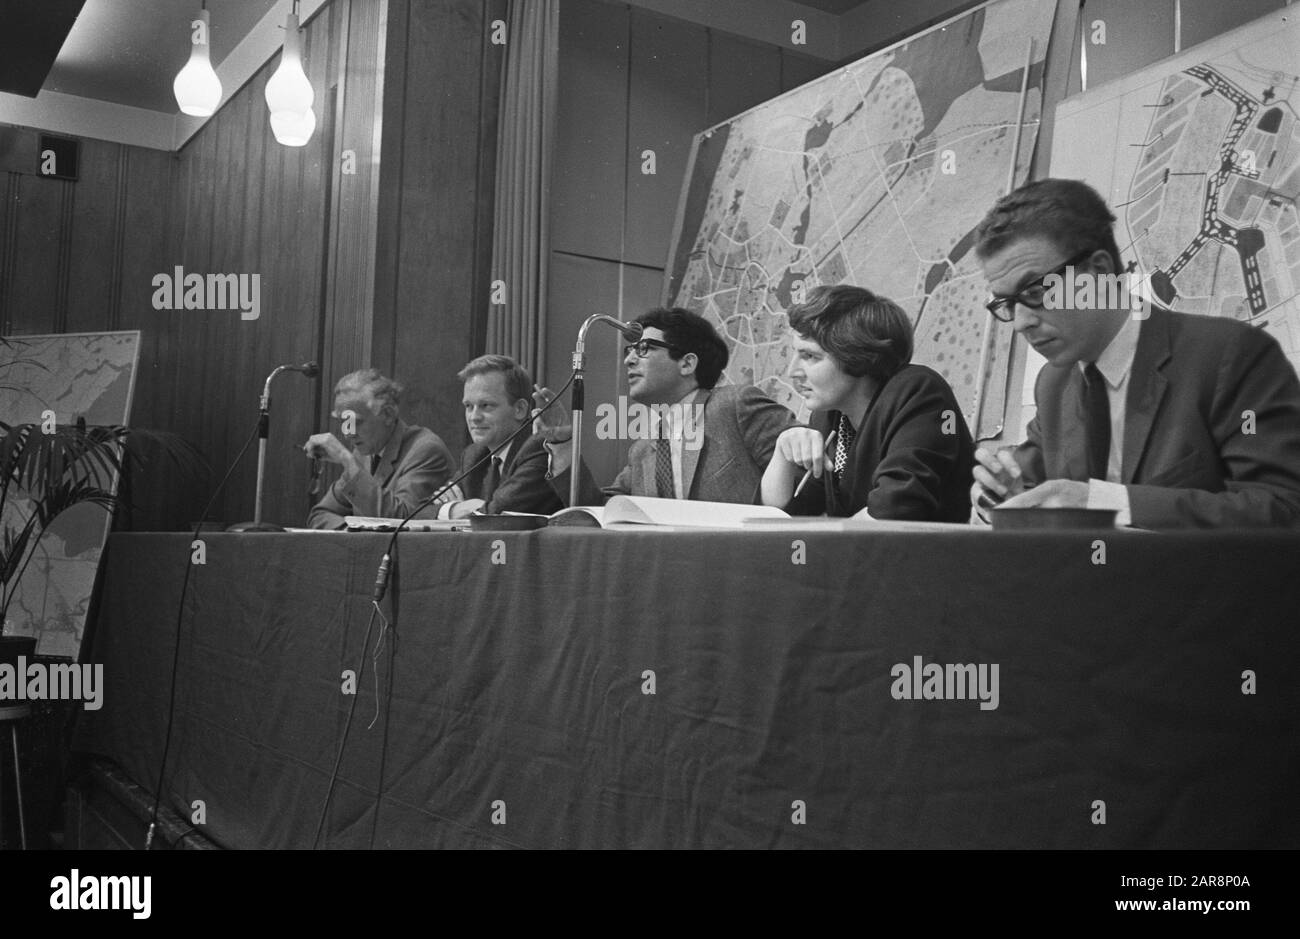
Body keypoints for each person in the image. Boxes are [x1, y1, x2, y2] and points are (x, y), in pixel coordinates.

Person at [970, 177, 1300, 529]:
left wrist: (1105, 505)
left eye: (1036, 291)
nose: (1020, 322)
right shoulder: (1053, 384)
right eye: (1007, 304)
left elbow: (1283, 510)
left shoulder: (1230, 357)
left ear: (1098, 272)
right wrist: (1003, 500)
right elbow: (1031, 491)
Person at [532, 307, 799, 504]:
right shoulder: (642, 450)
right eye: (629, 350)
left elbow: (808, 473)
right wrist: (563, 443)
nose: (629, 360)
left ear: (687, 363)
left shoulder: (735, 405)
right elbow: (599, 510)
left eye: (644, 348)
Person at [760, 285, 975, 520]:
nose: (792, 372)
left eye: (809, 356)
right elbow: (784, 516)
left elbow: (894, 510)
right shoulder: (830, 416)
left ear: (856, 355)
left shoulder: (919, 392)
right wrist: (782, 452)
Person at [305, 368, 454, 529]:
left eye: (355, 422)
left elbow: (405, 521)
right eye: (343, 422)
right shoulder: (363, 453)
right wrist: (351, 532)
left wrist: (347, 461)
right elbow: (320, 514)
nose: (348, 433)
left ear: (388, 414)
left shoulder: (426, 450)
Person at [421, 354, 564, 519]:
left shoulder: (540, 449)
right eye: (468, 406)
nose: (474, 417)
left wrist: (468, 509)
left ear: (519, 409)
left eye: (485, 405)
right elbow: (420, 511)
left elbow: (496, 515)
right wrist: (455, 509)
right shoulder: (474, 455)